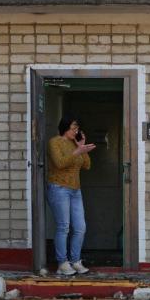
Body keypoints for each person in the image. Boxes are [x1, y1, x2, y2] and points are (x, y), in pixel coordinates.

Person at [47, 116, 95, 275]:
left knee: (81, 227)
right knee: (64, 227)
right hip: (59, 188)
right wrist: (77, 151)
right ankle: (62, 263)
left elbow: (87, 166)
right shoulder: (55, 142)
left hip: (75, 190)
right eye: (73, 128)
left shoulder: (75, 143)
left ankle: (75, 261)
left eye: (77, 129)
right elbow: (59, 163)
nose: (76, 131)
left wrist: (81, 148)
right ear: (65, 127)